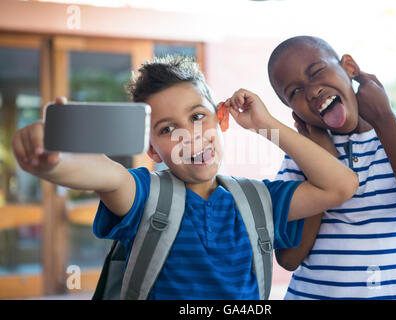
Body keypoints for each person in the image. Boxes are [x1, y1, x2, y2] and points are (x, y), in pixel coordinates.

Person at [12, 55, 358, 300]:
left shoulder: (260, 201)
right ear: (152, 150)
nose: (189, 136)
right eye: (167, 129)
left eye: (197, 116)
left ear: (221, 118)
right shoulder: (144, 195)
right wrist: (52, 162)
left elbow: (341, 185)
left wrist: (265, 126)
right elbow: (106, 175)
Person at [268, 35, 396, 300]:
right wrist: (321, 164)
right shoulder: (301, 155)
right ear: (293, 111)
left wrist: (384, 119)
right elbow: (289, 258)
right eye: (294, 92)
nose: (311, 90)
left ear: (349, 67)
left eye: (317, 71)